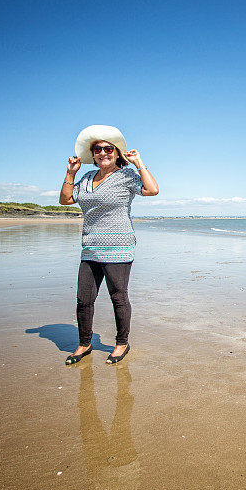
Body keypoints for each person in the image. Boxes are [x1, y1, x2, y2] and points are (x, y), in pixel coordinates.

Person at [59, 125, 159, 365]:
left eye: (108, 148)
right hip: (90, 247)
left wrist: (139, 163)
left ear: (117, 153)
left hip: (119, 248)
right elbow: (65, 200)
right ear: (92, 154)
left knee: (118, 297)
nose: (102, 153)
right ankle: (84, 344)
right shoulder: (85, 178)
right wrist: (71, 173)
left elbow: (152, 190)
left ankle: (122, 343)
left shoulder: (126, 177)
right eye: (97, 149)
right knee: (84, 299)